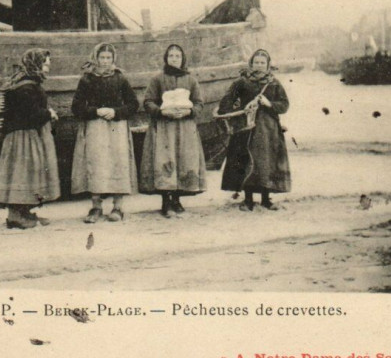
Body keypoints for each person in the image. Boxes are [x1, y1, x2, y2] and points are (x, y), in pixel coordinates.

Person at [71, 43, 139, 223]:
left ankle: (118, 207)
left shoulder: (120, 78)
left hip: (116, 128)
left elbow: (133, 105)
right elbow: (76, 107)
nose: (105, 62)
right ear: (96, 58)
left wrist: (116, 112)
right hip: (95, 128)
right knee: (97, 164)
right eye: (102, 58)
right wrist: (95, 111)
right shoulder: (87, 80)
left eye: (109, 58)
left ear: (113, 59)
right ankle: (96, 207)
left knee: (118, 162)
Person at [218, 48, 291, 211]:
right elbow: (226, 102)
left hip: (268, 130)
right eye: (256, 62)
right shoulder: (242, 82)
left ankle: (266, 199)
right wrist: (240, 110)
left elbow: (284, 105)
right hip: (246, 127)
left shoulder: (274, 83)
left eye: (262, 63)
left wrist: (269, 104)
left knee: (266, 163)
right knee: (246, 161)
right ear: (251, 64)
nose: (259, 66)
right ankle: (248, 200)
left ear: (268, 65)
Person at [0, 48, 60, 229]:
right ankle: (15, 216)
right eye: (45, 64)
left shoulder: (26, 82)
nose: (47, 68)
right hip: (22, 137)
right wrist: (49, 113)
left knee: (29, 173)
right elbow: (30, 114)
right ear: (36, 64)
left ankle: (24, 212)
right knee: (22, 173)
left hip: (26, 134)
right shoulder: (25, 87)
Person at [140, 44, 207, 218]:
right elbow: (148, 102)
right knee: (165, 161)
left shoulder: (191, 80)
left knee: (183, 160)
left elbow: (199, 103)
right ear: (166, 58)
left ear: (182, 59)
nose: (174, 59)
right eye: (171, 56)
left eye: (177, 56)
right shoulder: (158, 79)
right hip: (164, 127)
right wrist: (161, 111)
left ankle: (177, 200)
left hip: (185, 127)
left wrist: (190, 111)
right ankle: (166, 202)